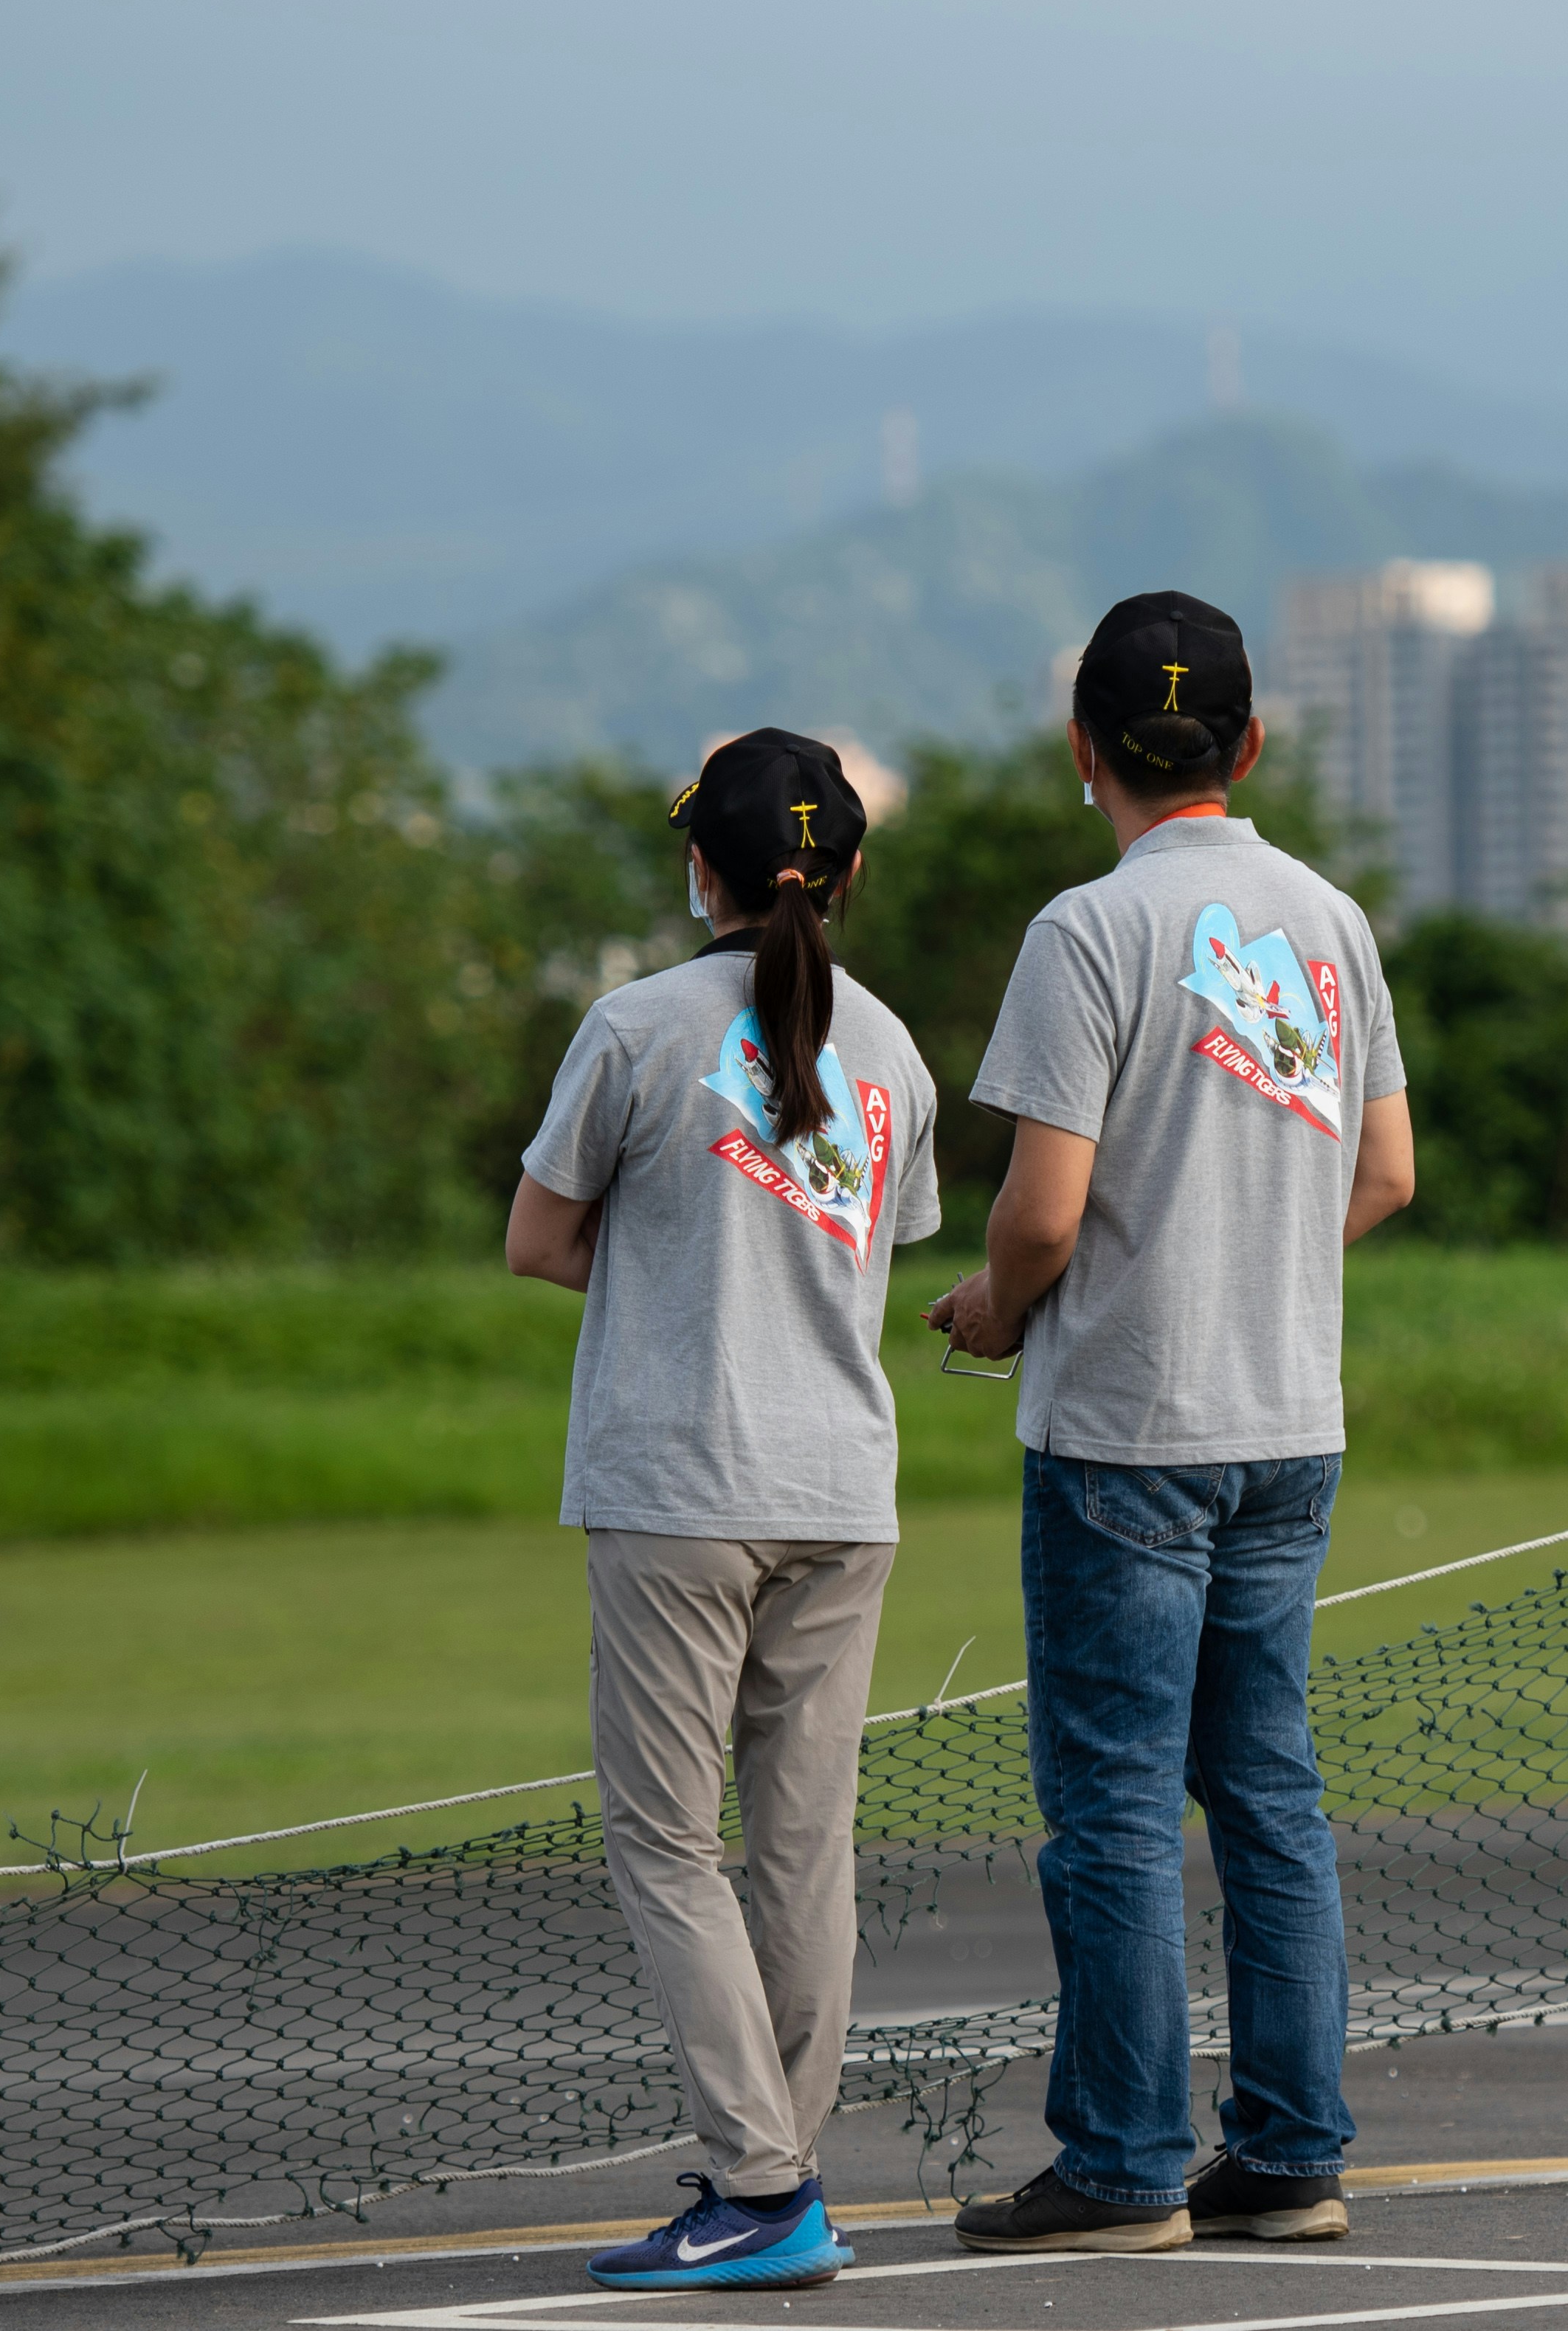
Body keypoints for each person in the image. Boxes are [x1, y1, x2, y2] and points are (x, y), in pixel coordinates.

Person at [926, 590, 1414, 2254]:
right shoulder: (1330, 918)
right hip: (1290, 1420)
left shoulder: (1088, 932)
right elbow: (1388, 1169)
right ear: (1248, 746)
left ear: (1084, 752)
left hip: (1127, 1424)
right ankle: (1288, 2156)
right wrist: (1255, 1250)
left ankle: (1124, 2161)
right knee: (1266, 1788)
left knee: (1115, 1802)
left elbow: (1043, 1213)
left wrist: (996, 1309)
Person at [505, 728, 942, 2295]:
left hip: (679, 1480)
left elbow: (539, 1242)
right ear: (847, 870)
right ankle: (784, 2166)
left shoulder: (632, 1025)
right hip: (844, 1488)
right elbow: (877, 1253)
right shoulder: (890, 1051)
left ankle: (759, 2182)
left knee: (666, 1839)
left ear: (699, 867)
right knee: (800, 1847)